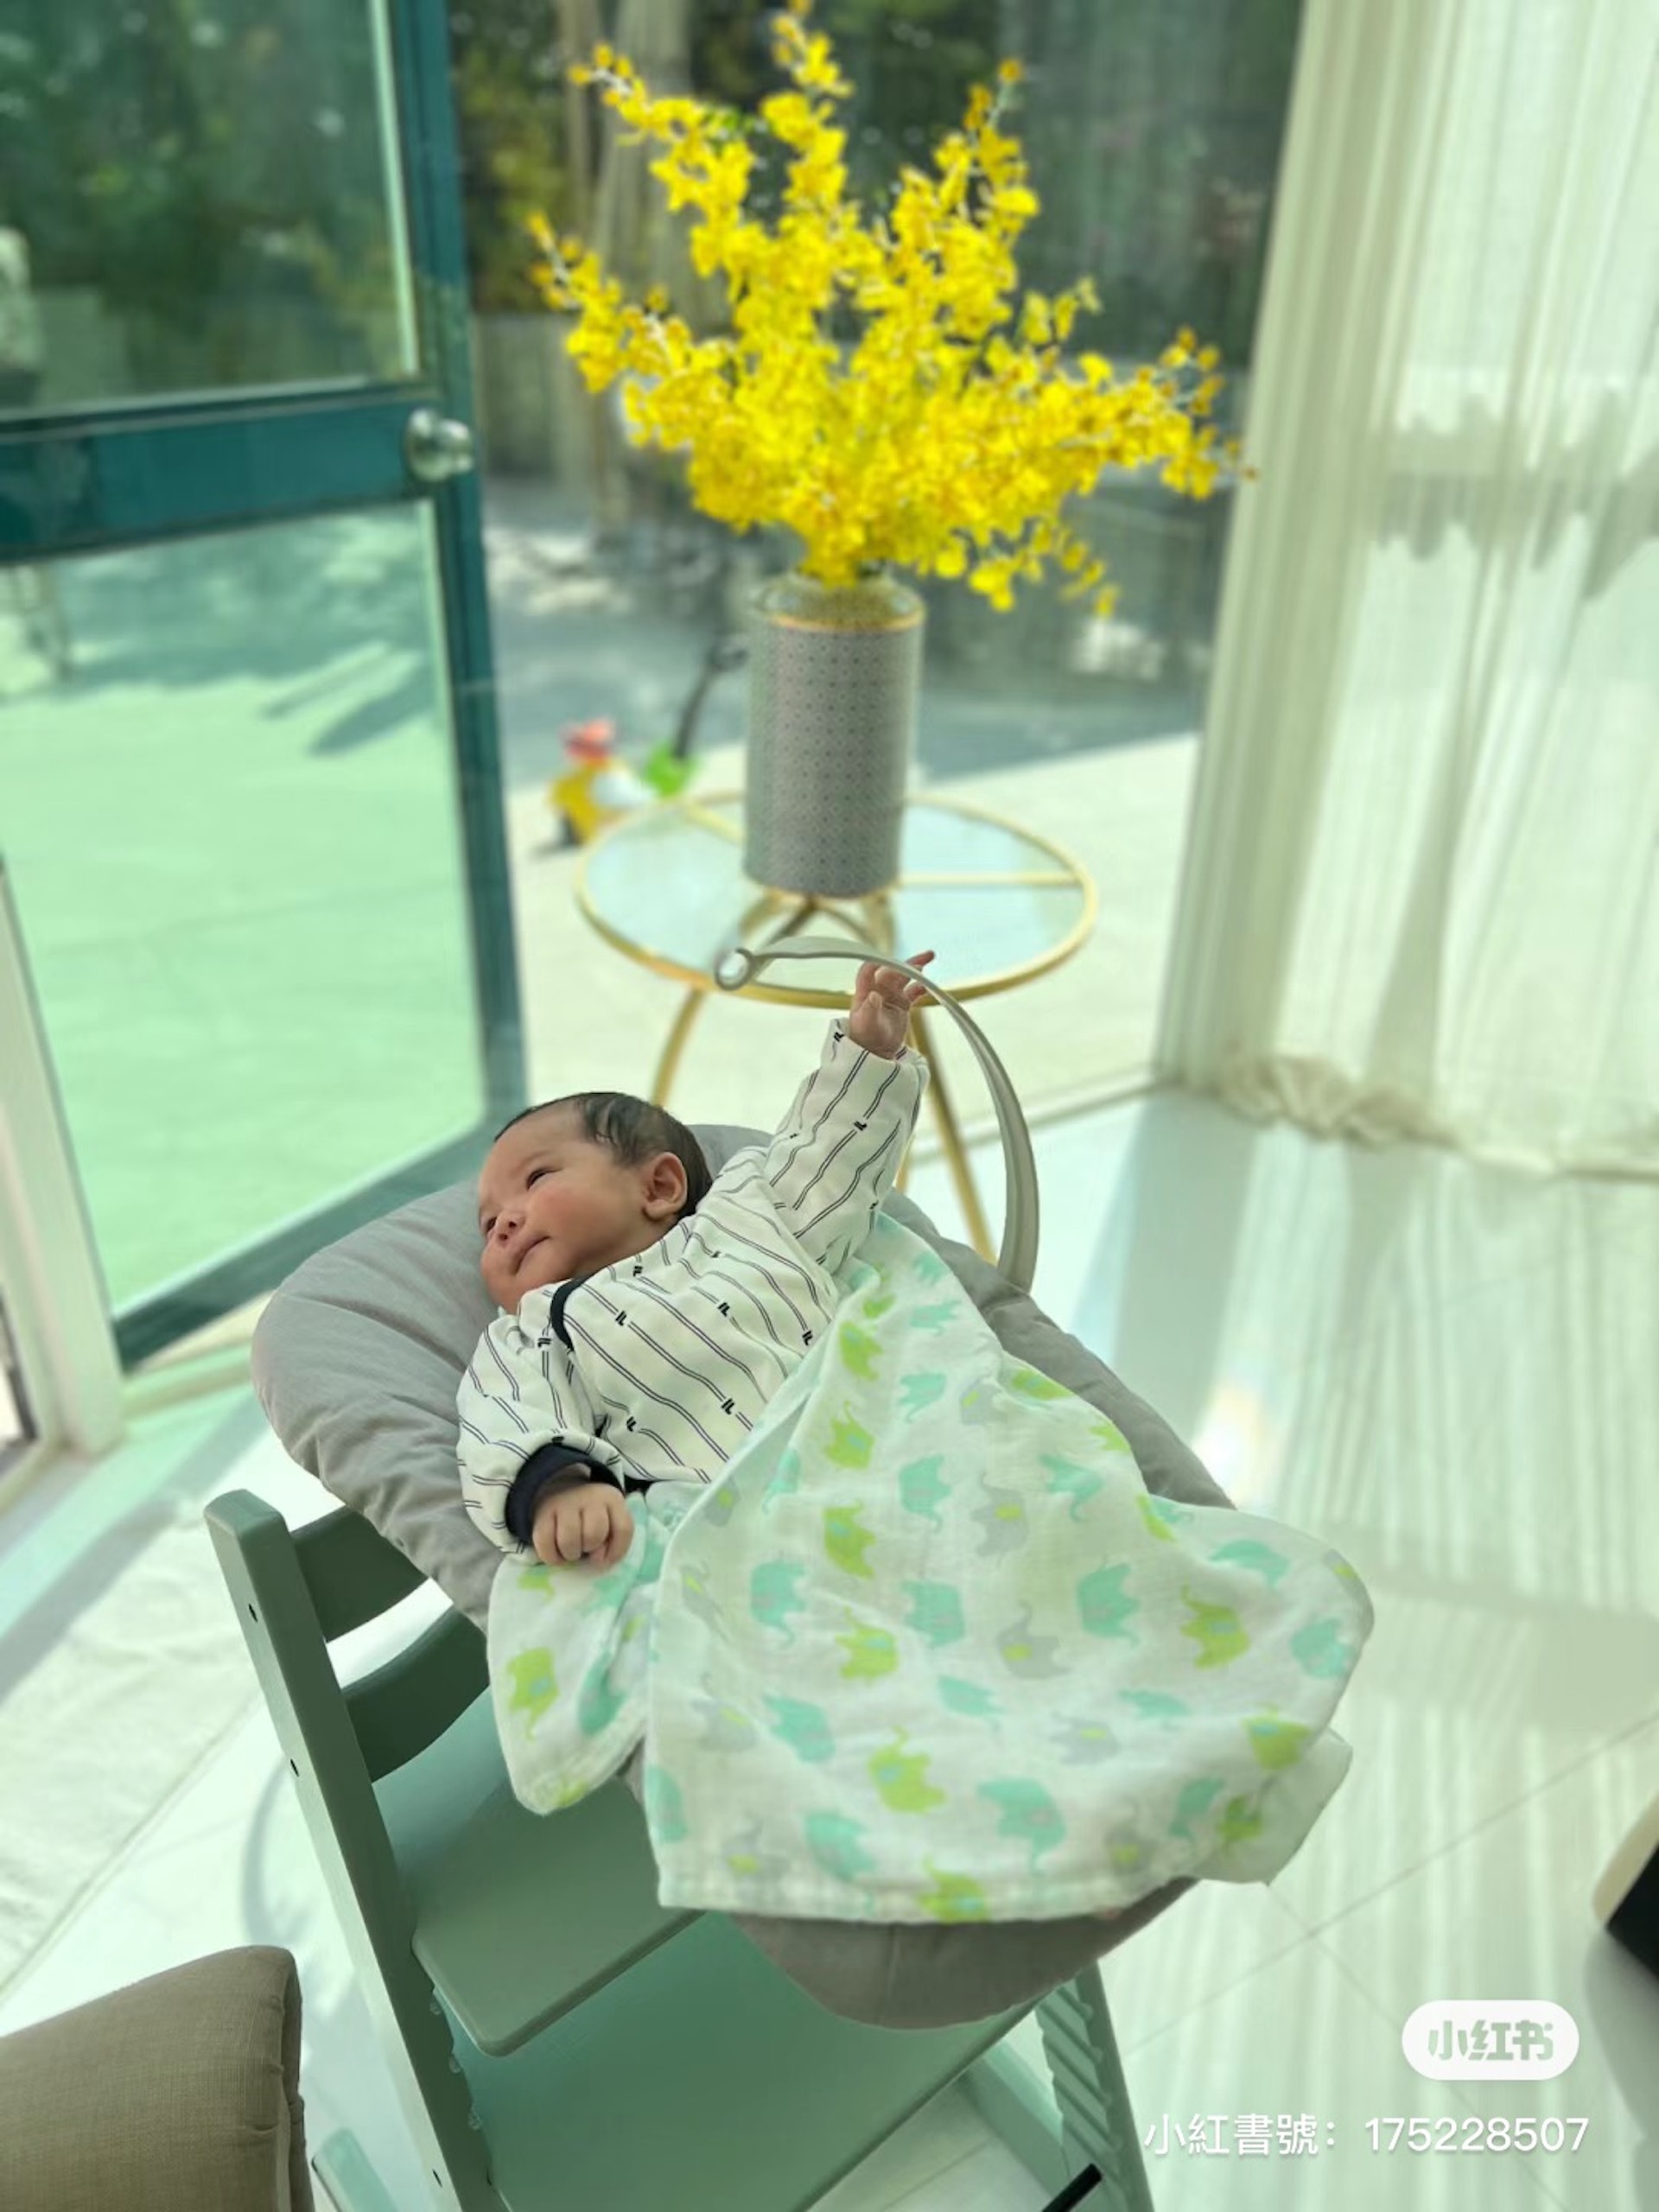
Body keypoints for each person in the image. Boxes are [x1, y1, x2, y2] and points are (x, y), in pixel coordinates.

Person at [459, 951, 937, 1573]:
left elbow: (825, 1160)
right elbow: (503, 1415)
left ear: (659, 1187)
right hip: (736, 1526)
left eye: (537, 1179)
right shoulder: (536, 1330)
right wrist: (561, 1488)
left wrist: (868, 1054)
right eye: (489, 1224)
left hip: (888, 1451)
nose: (505, 1223)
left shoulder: (748, 1215)